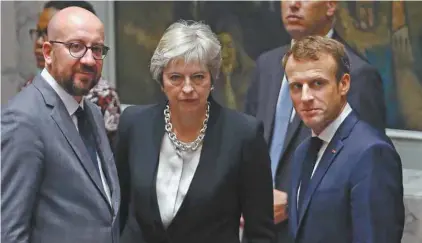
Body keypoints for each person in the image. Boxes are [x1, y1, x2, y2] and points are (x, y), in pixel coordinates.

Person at [116, 20, 275, 243]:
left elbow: (261, 232)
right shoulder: (133, 123)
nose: (188, 88)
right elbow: (120, 210)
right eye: (176, 78)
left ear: (212, 79)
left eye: (198, 77)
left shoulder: (244, 135)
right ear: (161, 81)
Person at [243, 1, 386, 242]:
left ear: (331, 5)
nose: (293, 5)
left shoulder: (358, 75)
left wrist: (292, 200)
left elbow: (364, 172)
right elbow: (249, 140)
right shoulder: (266, 65)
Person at [1, 7, 120, 243]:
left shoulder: (92, 112)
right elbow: (8, 232)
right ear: (47, 52)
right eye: (75, 47)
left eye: (96, 49)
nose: (88, 59)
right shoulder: (23, 119)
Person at [284, 35, 404, 243]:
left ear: (344, 84)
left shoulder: (371, 152)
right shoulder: (303, 152)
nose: (305, 97)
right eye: (296, 86)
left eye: (317, 83)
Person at [24, 0, 121, 151]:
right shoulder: (27, 93)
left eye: (47, 33)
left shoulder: (100, 97)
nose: (39, 42)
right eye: (38, 33)